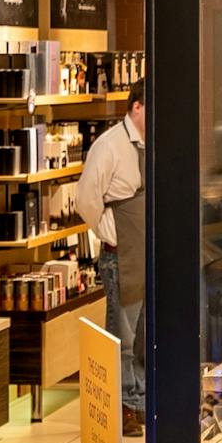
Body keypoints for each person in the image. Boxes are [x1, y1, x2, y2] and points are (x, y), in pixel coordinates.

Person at [76, 97, 145, 302]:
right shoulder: (109, 145)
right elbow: (85, 200)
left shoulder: (153, 142)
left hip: (146, 257)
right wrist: (107, 231)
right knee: (123, 332)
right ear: (137, 106)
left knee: (144, 332)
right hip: (120, 259)